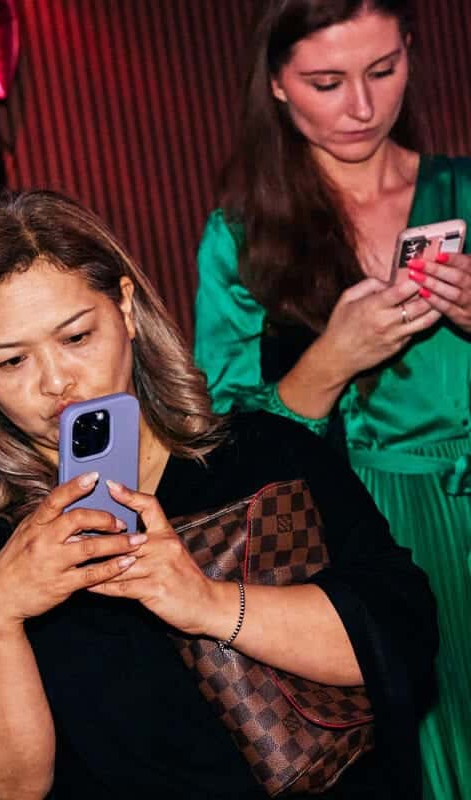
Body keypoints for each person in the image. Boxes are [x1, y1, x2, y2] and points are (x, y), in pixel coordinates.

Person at [0, 190, 436, 799]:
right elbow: (12, 788)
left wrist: (207, 602)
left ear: (126, 310)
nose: (55, 381)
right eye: (11, 361)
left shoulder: (263, 456)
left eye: (76, 337)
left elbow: (400, 643)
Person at [193, 2, 470, 796]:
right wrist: (330, 362)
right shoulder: (243, 237)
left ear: (411, 52)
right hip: (380, 525)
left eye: (383, 70)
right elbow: (223, 446)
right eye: (327, 82)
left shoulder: (462, 189)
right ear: (278, 84)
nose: (362, 106)